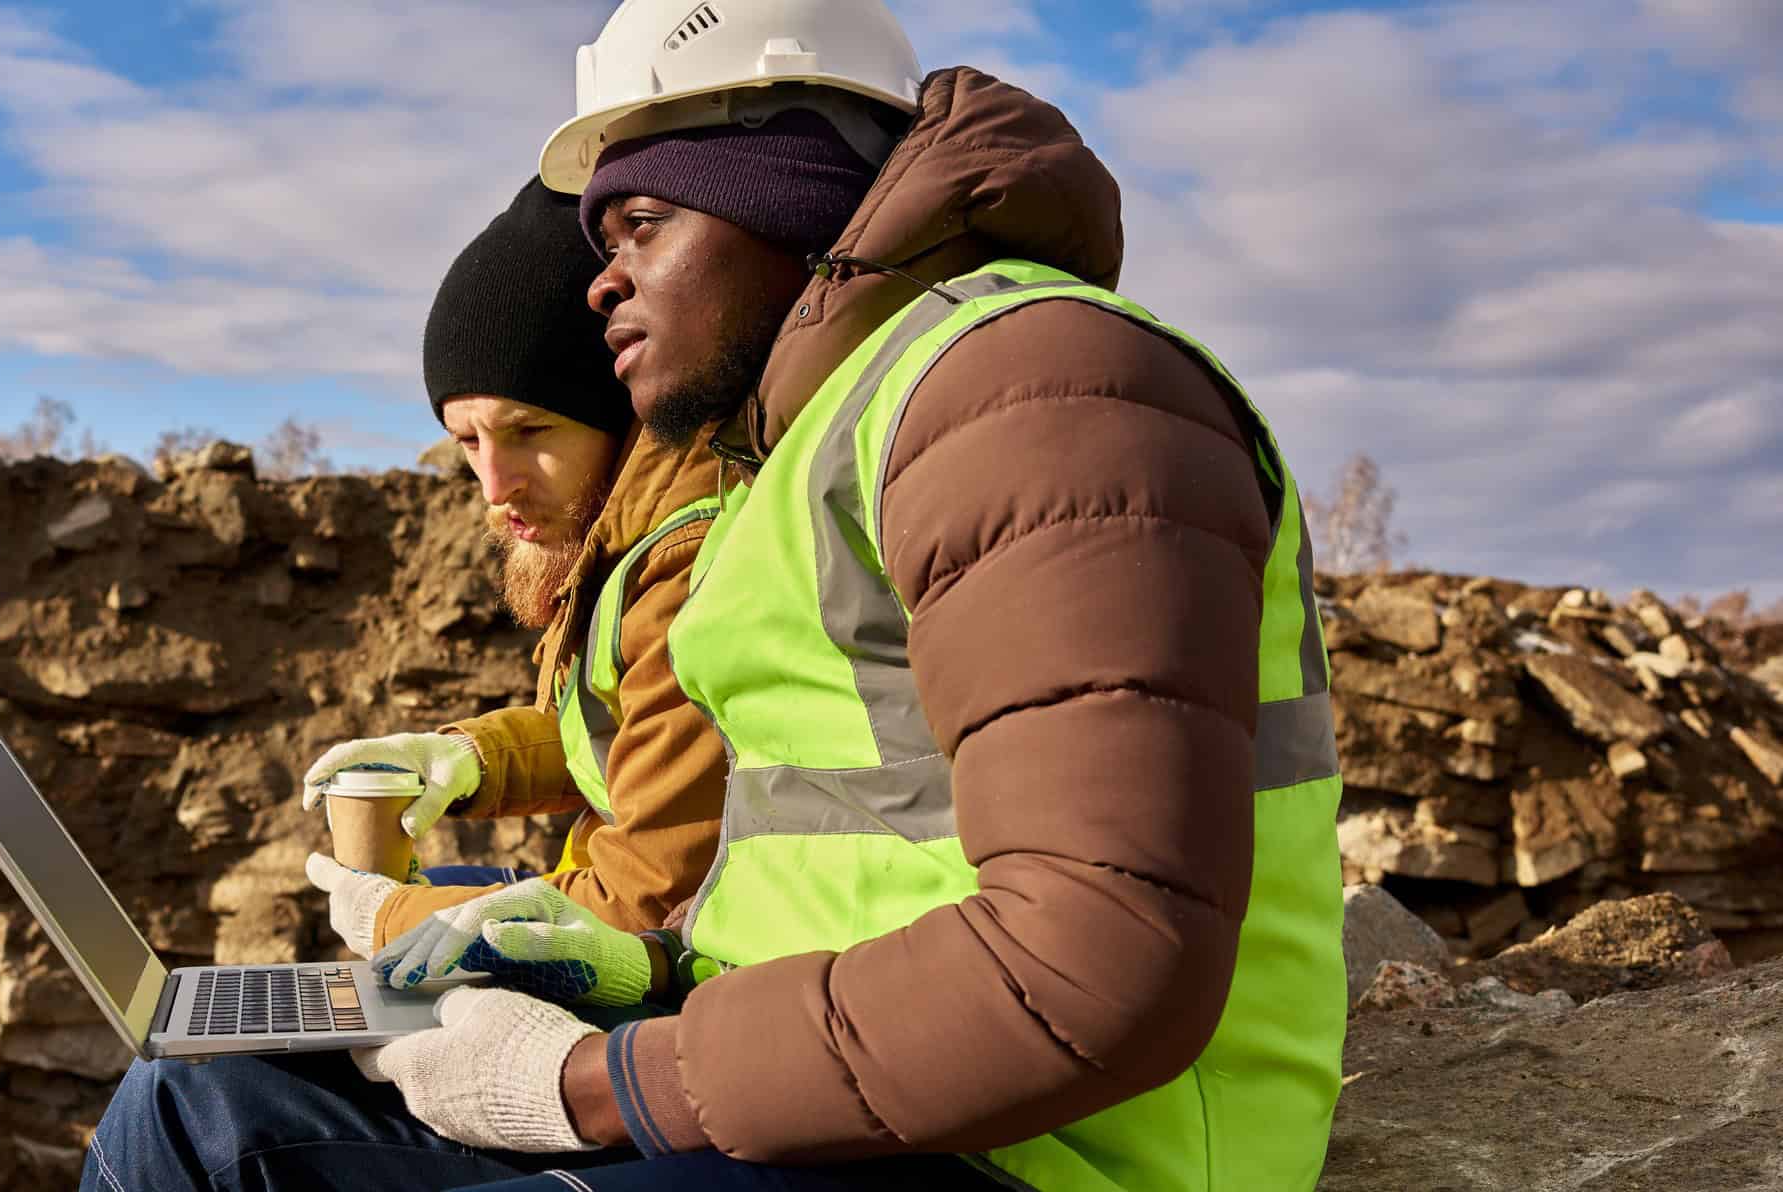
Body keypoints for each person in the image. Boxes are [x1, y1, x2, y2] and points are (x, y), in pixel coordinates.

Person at [81, 1, 1346, 1188]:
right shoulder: (802, 454)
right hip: (825, 1089)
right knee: (198, 1100)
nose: (600, 282)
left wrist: (582, 1080)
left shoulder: (1030, 385)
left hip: (1039, 1152)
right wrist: (640, 963)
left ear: (783, 196)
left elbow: (1091, 968)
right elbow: (842, 857)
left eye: (639, 224)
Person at [293, 178, 729, 981]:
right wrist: (466, 757)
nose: (496, 487)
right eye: (467, 442)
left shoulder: (687, 558)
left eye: (529, 430)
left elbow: (640, 904)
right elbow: (620, 738)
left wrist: (385, 915)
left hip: (666, 962)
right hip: (629, 923)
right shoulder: (610, 539)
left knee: (185, 1086)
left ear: (623, 409)